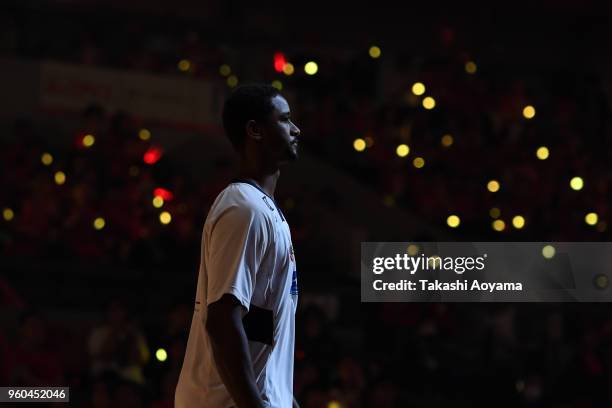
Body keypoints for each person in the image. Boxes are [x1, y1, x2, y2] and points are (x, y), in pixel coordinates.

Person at [175, 84, 301, 408]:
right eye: (285, 120)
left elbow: (261, 328)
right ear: (255, 130)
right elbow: (221, 320)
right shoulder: (244, 209)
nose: (296, 129)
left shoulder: (265, 210)